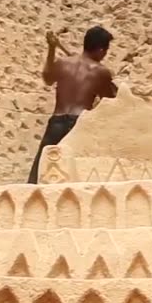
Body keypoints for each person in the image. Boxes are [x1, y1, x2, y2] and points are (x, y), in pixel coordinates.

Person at [27, 25, 118, 184]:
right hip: (80, 123)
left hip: (56, 121)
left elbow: (47, 79)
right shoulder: (100, 71)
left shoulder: (62, 63)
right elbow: (110, 100)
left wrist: (51, 50)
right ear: (102, 50)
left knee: (39, 174)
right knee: (80, 176)